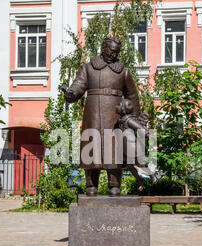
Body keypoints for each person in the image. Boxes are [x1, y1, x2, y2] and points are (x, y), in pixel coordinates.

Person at [62, 37, 140, 196]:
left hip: (115, 114)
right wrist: (71, 93)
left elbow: (132, 95)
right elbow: (79, 85)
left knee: (114, 150)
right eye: (112, 51)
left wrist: (135, 119)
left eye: (117, 52)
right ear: (103, 48)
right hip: (93, 113)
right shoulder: (89, 68)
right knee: (92, 148)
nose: (114, 55)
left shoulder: (123, 71)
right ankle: (91, 184)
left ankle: (115, 184)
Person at [116, 99, 157, 191]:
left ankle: (152, 175)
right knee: (129, 165)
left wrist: (148, 135)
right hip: (126, 148)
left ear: (123, 109)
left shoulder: (129, 120)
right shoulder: (122, 121)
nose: (116, 107)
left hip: (134, 147)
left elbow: (140, 128)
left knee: (141, 164)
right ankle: (140, 180)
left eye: (118, 105)